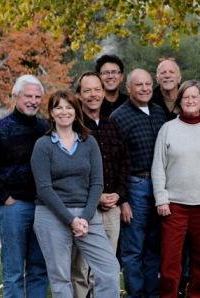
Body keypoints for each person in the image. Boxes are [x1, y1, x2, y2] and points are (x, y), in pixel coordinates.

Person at [31, 90, 120, 298]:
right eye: (58, 107)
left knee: (109, 269)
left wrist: (85, 216)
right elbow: (44, 189)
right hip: (52, 214)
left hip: (87, 214)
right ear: (51, 113)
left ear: (76, 110)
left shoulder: (89, 142)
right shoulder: (43, 145)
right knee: (61, 277)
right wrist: (71, 220)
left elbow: (97, 183)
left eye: (69, 107)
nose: (64, 112)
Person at [0, 74, 49, 297]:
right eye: (28, 96)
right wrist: (6, 198)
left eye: (38, 97)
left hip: (44, 208)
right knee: (14, 271)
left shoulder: (45, 128)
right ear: (16, 96)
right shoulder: (0, 130)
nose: (33, 101)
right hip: (14, 208)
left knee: (39, 269)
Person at [152, 80, 200, 297]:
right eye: (185, 97)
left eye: (194, 97)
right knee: (170, 261)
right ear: (180, 101)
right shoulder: (168, 129)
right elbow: (158, 166)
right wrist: (161, 199)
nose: (190, 101)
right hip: (174, 206)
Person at [71, 72, 130, 297]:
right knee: (81, 268)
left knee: (106, 267)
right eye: (87, 90)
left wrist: (119, 194)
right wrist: (96, 197)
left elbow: (125, 163)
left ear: (104, 93)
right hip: (84, 208)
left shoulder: (112, 126)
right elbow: (72, 173)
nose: (93, 95)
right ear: (79, 96)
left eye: (97, 90)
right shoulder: (74, 129)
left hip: (112, 209)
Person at [111, 68, 166, 297]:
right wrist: (122, 200)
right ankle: (137, 293)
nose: (144, 89)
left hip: (160, 187)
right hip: (135, 186)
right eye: (138, 85)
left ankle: (152, 292)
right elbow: (114, 163)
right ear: (129, 88)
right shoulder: (119, 117)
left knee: (154, 246)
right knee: (133, 247)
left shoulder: (159, 112)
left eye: (147, 84)